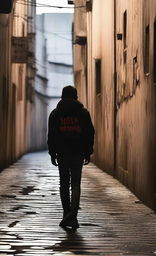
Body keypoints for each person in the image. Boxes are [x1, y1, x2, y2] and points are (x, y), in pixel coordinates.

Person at [47, 85, 94, 229]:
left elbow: (52, 135)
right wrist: (88, 151)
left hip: (62, 154)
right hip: (78, 153)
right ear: (76, 97)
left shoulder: (55, 114)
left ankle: (67, 214)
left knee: (64, 184)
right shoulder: (83, 114)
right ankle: (72, 216)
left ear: (62, 96)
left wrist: (52, 152)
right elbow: (89, 133)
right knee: (76, 185)